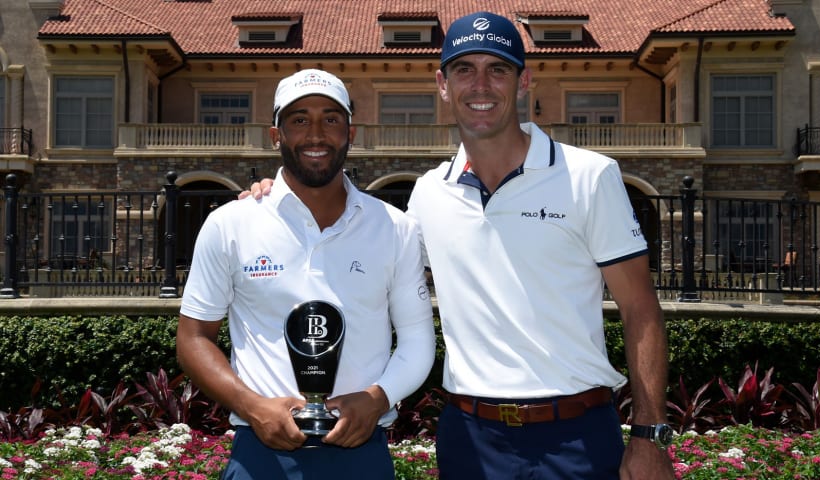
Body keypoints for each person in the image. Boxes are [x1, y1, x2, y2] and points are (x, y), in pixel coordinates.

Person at [246, 12, 675, 479]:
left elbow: (641, 309)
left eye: (498, 69)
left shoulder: (591, 177)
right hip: (471, 438)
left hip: (576, 435)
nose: (481, 85)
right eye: (464, 69)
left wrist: (649, 433)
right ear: (443, 84)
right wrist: (279, 192)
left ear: (524, 81)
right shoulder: (430, 194)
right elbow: (359, 251)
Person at [178, 69, 436, 479]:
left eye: (330, 119)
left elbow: (418, 341)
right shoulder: (230, 223)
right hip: (261, 453)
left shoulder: (395, 227)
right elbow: (194, 338)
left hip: (361, 451)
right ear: (275, 135)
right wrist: (251, 406)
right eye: (299, 120)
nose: (316, 134)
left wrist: (375, 399)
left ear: (350, 130)